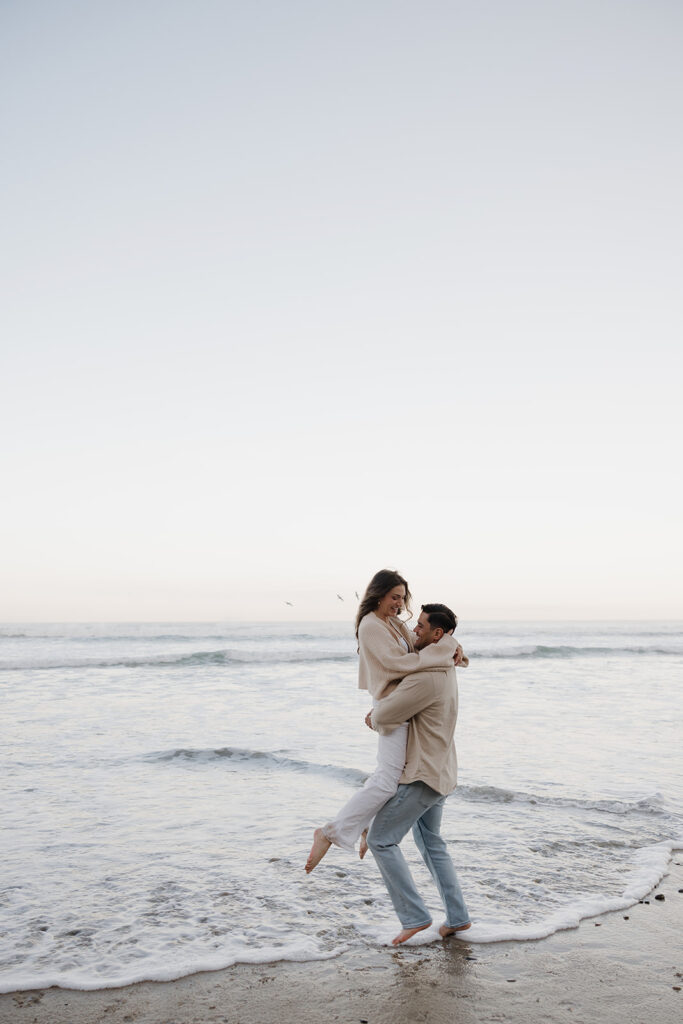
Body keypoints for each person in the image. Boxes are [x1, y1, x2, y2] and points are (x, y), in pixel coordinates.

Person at [305, 570, 466, 873]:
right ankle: (330, 831)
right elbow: (397, 664)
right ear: (378, 594)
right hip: (392, 704)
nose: (399, 604)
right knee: (388, 779)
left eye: (403, 598)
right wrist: (444, 654)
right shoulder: (371, 626)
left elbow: (422, 647)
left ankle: (363, 826)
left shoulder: (391, 623)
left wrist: (452, 647)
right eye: (395, 597)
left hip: (402, 702)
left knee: (392, 777)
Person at [367, 602, 471, 946]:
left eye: (422, 627)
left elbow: (385, 718)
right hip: (441, 770)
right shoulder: (444, 664)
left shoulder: (428, 675)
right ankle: (457, 918)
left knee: (381, 839)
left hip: (423, 775)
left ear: (438, 635)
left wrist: (374, 714)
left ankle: (414, 916)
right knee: (431, 844)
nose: (415, 631)